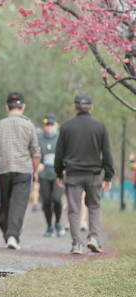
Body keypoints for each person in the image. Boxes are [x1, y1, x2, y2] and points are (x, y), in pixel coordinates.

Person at [55, 92, 114, 255]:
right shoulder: (100, 126)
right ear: (91, 107)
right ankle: (94, 238)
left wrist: (58, 173)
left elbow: (59, 153)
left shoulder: (66, 126)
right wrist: (108, 175)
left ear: (75, 107)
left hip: (73, 174)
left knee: (74, 209)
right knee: (94, 206)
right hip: (93, 174)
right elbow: (107, 153)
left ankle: (77, 244)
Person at [0, 92, 41, 250]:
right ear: (23, 107)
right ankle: (12, 236)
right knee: (18, 204)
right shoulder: (29, 126)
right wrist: (35, 171)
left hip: (3, 171)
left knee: (4, 204)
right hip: (23, 170)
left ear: (7, 107)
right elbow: (35, 152)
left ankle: (9, 233)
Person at [37, 114, 66, 237]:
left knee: (57, 199)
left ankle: (58, 222)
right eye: (46, 125)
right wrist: (37, 164)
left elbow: (67, 154)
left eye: (51, 125)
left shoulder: (61, 138)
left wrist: (65, 167)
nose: (49, 127)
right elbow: (36, 155)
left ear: (56, 125)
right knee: (46, 201)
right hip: (44, 175)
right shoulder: (39, 139)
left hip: (58, 175)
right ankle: (49, 226)